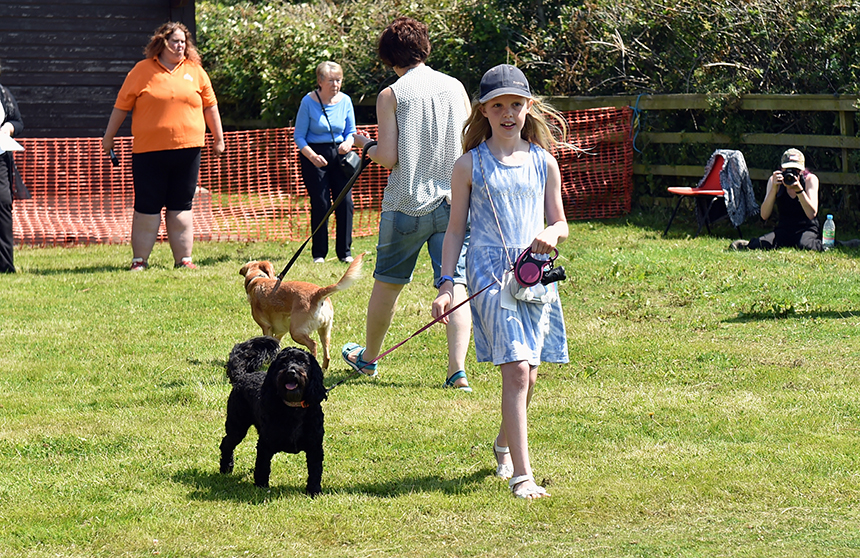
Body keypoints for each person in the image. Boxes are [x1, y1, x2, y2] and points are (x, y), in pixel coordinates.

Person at [432, 64, 570, 499]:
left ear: (528, 107)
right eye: (498, 106)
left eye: (516, 104)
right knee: (515, 369)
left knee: (530, 376)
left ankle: (503, 443)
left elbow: (561, 222)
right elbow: (455, 231)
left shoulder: (544, 161)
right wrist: (446, 282)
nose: (508, 113)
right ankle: (522, 476)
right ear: (484, 111)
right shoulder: (468, 165)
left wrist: (551, 234)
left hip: (535, 274)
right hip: (489, 274)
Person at [342, 17, 474, 391]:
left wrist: (362, 144)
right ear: (424, 48)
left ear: (389, 57)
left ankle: (368, 359)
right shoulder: (455, 86)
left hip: (406, 201)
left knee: (387, 284)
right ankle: (456, 371)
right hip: (454, 200)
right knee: (455, 283)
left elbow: (387, 156)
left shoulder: (392, 94)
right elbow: (470, 141)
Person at [102, 21, 225, 271]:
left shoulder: (196, 71)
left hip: (188, 150)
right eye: (174, 41)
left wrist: (218, 138)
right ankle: (140, 261)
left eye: (183, 42)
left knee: (182, 204)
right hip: (149, 151)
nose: (179, 46)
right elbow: (121, 106)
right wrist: (109, 136)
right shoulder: (141, 70)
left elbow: (210, 106)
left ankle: (184, 260)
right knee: (147, 206)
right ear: (161, 42)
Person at [293, 61, 357, 264]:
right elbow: (299, 136)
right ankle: (319, 253)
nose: (336, 84)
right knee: (321, 203)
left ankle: (344, 252)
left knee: (345, 202)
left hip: (340, 154)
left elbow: (351, 131)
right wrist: (312, 156)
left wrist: (348, 143)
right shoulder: (308, 102)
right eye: (331, 80)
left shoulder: (346, 101)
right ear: (320, 81)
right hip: (314, 155)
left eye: (339, 80)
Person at [730, 148, 822, 251]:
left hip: (806, 229)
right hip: (784, 229)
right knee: (761, 244)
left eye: (795, 170)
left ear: (801, 170)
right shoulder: (775, 181)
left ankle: (831, 243)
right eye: (787, 169)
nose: (791, 174)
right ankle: (745, 244)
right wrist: (774, 189)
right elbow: (764, 215)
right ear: (782, 169)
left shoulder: (810, 180)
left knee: (804, 245)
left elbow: (812, 214)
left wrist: (799, 190)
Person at [0, 64, 30, 274]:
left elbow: (17, 122)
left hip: (0, 156)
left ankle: (5, 266)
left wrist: (8, 128)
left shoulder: (2, 93)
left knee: (3, 203)